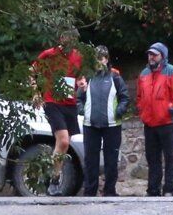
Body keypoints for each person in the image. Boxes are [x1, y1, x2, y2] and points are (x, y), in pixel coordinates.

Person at [32, 31, 83, 194]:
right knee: (63, 141)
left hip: (70, 103)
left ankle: (49, 174)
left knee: (62, 143)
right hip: (52, 101)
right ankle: (53, 180)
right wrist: (36, 93)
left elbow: (79, 77)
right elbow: (31, 72)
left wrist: (82, 83)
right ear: (60, 38)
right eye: (65, 37)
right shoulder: (49, 54)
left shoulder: (78, 56)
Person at [135, 43, 173, 197]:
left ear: (163, 56)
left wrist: (170, 110)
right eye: (150, 54)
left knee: (170, 156)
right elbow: (139, 96)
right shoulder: (144, 74)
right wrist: (142, 110)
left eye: (155, 54)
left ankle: (169, 189)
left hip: (168, 123)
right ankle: (153, 189)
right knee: (152, 158)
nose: (151, 57)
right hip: (150, 122)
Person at [78, 46, 126, 197]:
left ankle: (110, 191)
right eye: (97, 58)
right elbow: (78, 98)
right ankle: (90, 191)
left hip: (112, 125)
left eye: (102, 58)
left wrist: (119, 111)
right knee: (90, 160)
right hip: (90, 125)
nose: (100, 61)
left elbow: (125, 98)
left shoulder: (115, 77)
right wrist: (82, 110)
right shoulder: (87, 77)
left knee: (111, 160)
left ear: (107, 59)